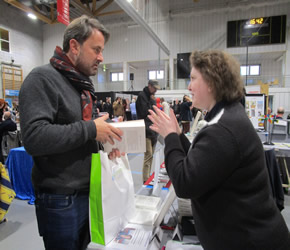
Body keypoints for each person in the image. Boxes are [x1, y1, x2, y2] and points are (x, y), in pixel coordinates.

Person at [148, 50, 290, 250]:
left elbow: (184, 183)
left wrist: (170, 136)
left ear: (211, 83)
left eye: (193, 79)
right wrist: (179, 135)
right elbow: (202, 160)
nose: (189, 86)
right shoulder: (227, 116)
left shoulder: (223, 128)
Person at [19, 15, 124, 250]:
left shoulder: (81, 85)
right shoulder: (42, 79)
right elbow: (34, 137)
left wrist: (105, 146)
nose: (101, 57)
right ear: (74, 46)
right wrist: (90, 129)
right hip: (61, 200)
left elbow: (83, 135)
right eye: (96, 49)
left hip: (90, 192)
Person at [136, 79, 160, 183]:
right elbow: (145, 113)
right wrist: (152, 101)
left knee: (151, 155)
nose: (155, 90)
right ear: (149, 86)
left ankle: (148, 176)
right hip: (145, 130)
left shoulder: (150, 97)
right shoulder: (142, 96)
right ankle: (146, 179)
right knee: (148, 154)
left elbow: (154, 112)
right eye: (154, 88)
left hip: (153, 130)